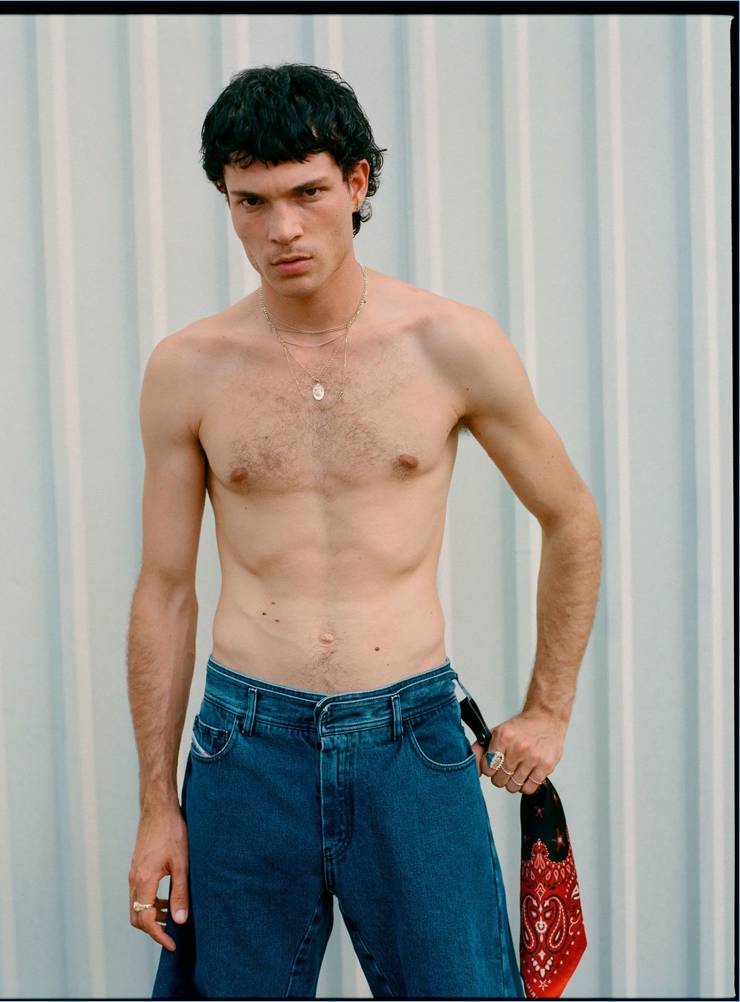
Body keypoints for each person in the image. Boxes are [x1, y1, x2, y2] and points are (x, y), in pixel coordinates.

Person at [127, 63, 601, 1000]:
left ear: (357, 183)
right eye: (251, 201)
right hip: (243, 746)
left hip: (413, 742)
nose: (283, 228)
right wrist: (156, 804)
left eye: (307, 192)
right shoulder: (188, 368)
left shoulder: (450, 344)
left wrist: (549, 709)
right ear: (227, 202)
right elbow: (165, 590)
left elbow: (570, 517)